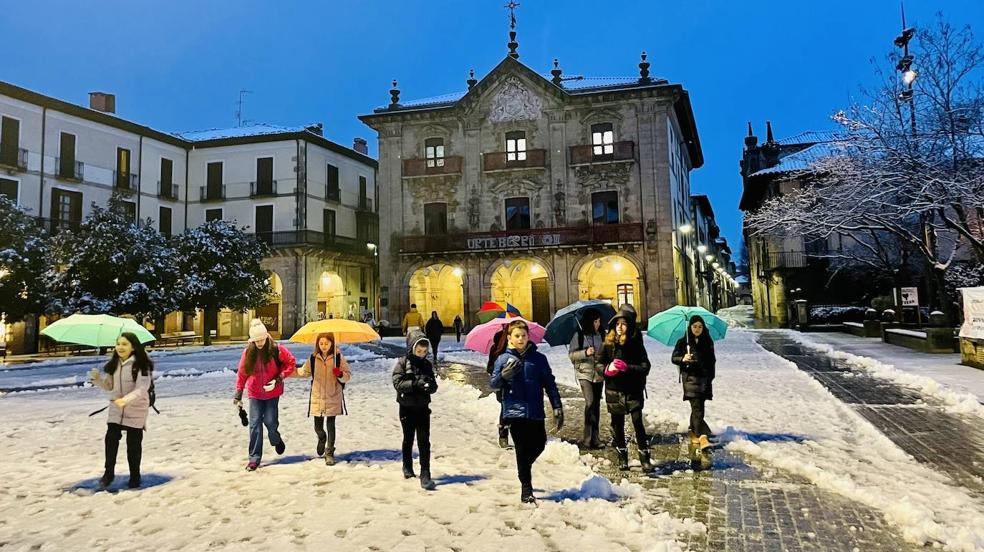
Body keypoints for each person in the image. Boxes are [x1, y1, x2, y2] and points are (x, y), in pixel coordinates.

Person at [490, 320, 563, 504]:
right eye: (517, 336)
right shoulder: (502, 359)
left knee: (539, 443)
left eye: (523, 335)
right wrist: (503, 376)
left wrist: (557, 405)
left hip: (535, 409)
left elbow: (550, 383)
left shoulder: (538, 359)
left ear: (528, 337)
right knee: (521, 449)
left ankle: (524, 467)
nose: (521, 339)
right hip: (514, 411)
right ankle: (526, 488)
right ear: (510, 338)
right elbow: (493, 384)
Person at [89, 332, 154, 490]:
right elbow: (109, 386)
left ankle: (135, 476)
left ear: (133, 346)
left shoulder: (141, 364)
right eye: (118, 344)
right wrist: (97, 380)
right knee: (110, 439)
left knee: (133, 443)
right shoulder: (114, 364)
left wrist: (125, 400)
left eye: (125, 344)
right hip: (116, 408)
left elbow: (142, 389)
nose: (120, 347)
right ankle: (108, 473)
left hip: (136, 408)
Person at [234, 319, 296, 471]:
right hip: (255, 393)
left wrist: (279, 378)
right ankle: (254, 458)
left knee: (270, 421)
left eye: (262, 339)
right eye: (256, 340)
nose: (260, 343)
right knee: (254, 424)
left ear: (266, 336)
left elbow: (291, 363)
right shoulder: (248, 352)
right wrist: (238, 393)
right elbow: (242, 373)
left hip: (272, 393)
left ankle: (275, 439)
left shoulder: (277, 349)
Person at [598, 304, 652, 471]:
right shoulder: (607, 344)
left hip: (633, 389)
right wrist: (607, 370)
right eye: (617, 324)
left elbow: (645, 366)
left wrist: (628, 368)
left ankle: (644, 456)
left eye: (623, 324)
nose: (620, 327)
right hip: (614, 390)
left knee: (637, 422)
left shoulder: (635, 343)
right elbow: (599, 365)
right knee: (617, 424)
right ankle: (622, 456)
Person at [392, 329, 439, 490]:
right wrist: (413, 384)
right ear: (412, 348)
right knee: (408, 438)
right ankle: (407, 465)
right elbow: (397, 383)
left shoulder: (426, 364)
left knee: (424, 441)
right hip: (407, 408)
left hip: (423, 407)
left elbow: (433, 383)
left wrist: (431, 386)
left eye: (425, 352)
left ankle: (425, 473)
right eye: (419, 351)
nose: (422, 354)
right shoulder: (403, 363)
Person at [295, 332, 351, 466]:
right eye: (321, 344)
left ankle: (329, 452)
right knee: (318, 427)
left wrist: (340, 374)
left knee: (331, 424)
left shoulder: (338, 358)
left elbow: (347, 376)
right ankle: (322, 437)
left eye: (326, 343)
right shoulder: (313, 358)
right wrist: (285, 371)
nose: (324, 346)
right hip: (318, 396)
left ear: (332, 343)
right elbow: (303, 372)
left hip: (333, 394)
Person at [671, 315, 716, 451]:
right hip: (690, 379)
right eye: (694, 326)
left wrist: (710, 377)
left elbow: (712, 360)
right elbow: (674, 358)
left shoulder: (708, 341)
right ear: (690, 327)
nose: (697, 329)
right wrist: (683, 358)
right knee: (697, 408)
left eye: (700, 326)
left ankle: (692, 430)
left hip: (704, 380)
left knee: (699, 407)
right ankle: (703, 437)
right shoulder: (683, 342)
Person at [568, 308, 605, 449]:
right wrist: (585, 352)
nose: (598, 324)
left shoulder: (601, 334)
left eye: (599, 321)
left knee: (596, 406)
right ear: (590, 321)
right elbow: (571, 355)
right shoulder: (579, 335)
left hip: (599, 375)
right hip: (584, 374)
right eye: (595, 321)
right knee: (590, 404)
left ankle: (596, 438)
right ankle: (587, 438)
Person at [486, 328, 511, 448]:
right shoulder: (496, 348)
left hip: (518, 384)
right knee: (506, 409)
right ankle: (503, 435)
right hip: (502, 385)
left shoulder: (520, 348)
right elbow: (490, 368)